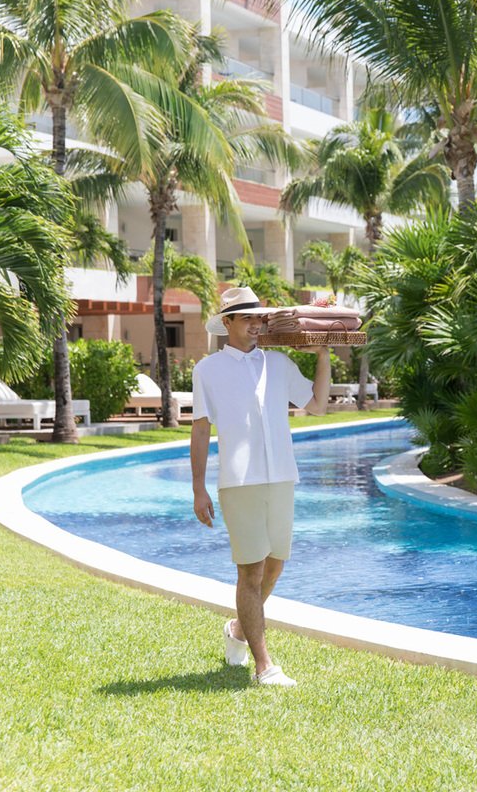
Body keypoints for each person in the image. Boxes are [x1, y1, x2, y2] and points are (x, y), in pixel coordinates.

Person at [190, 286, 332, 686]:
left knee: (276, 564)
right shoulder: (207, 370)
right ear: (228, 323)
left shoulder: (280, 364)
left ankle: (237, 629)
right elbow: (201, 430)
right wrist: (198, 488)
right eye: (247, 317)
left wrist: (322, 354)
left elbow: (317, 405)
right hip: (239, 481)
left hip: (282, 475)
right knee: (250, 571)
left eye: (259, 317)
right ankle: (264, 666)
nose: (256, 324)